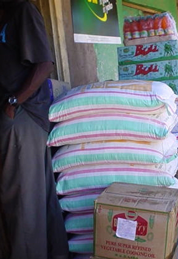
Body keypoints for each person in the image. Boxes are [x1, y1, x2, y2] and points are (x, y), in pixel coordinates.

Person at [0, 1, 69, 259]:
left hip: (22, 114)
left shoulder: (22, 11)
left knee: (21, 200)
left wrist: (14, 102)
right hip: (18, 115)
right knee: (38, 196)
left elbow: (44, 64)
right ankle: (55, 253)